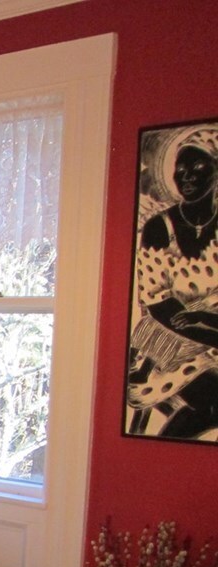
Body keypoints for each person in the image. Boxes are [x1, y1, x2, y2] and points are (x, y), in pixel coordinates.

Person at [126, 128, 218, 439]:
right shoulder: (159, 228)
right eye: (180, 168)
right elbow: (158, 304)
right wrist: (206, 334)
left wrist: (207, 323)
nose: (186, 176)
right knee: (213, 402)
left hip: (212, 332)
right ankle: (158, 453)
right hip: (165, 344)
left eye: (198, 167)